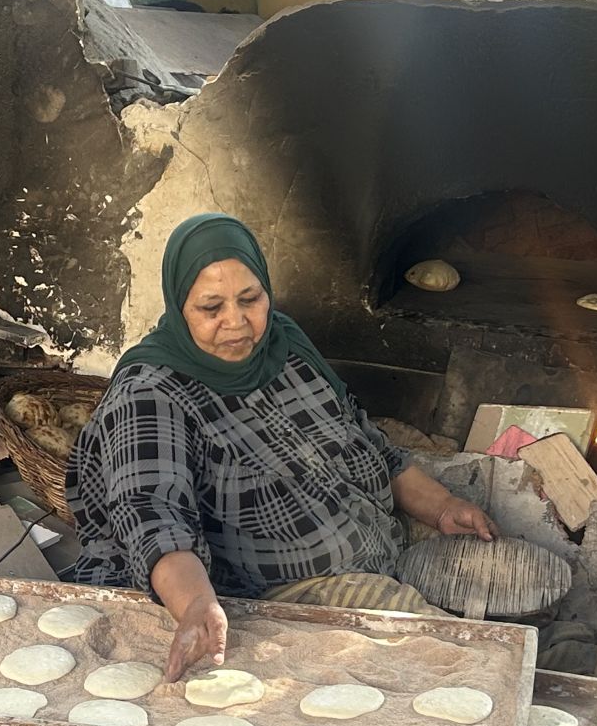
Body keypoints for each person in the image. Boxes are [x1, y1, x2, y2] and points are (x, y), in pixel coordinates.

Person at [67, 212, 496, 682]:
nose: (237, 323)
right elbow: (150, 510)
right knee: (455, 654)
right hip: (285, 586)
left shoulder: (284, 346)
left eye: (250, 299)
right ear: (178, 304)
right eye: (211, 308)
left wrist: (441, 508)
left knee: (501, 577)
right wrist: (195, 604)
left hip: (379, 537)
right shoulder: (150, 392)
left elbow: (363, 438)